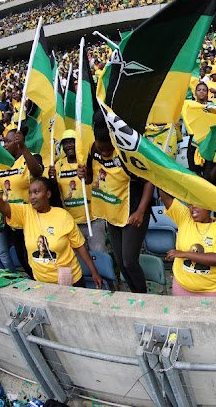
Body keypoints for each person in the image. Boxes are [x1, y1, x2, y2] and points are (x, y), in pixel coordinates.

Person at [0, 177, 102, 288]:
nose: (32, 197)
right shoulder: (26, 213)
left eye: (36, 192)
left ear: (48, 194)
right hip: (42, 284)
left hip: (70, 281)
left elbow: (79, 247)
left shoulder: (63, 216)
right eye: (30, 193)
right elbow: (3, 207)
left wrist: (94, 271)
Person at [79, 111, 153, 293]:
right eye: (101, 148)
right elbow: (90, 179)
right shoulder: (92, 149)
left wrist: (141, 212)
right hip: (111, 212)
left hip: (133, 212)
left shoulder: (126, 153)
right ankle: (134, 294)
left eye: (108, 149)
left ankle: (143, 297)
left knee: (129, 260)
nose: (104, 152)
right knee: (120, 261)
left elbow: (150, 181)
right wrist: (84, 175)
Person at [159, 190, 216, 296]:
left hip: (211, 290)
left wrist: (183, 254)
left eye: (197, 204)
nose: (192, 207)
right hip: (181, 287)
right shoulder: (185, 217)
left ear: (210, 206)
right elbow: (165, 195)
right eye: (190, 204)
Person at [48, 130, 105, 252]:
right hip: (72, 222)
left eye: (72, 142)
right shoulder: (58, 165)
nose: (69, 145)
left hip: (93, 219)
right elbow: (54, 193)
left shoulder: (86, 161)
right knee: (80, 259)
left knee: (99, 252)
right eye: (66, 143)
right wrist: (51, 179)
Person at [0, 128, 44, 275]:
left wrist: (24, 148)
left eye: (9, 141)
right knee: (22, 260)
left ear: (18, 143)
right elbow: (1, 194)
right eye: (4, 142)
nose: (5, 145)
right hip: (13, 222)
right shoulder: (2, 164)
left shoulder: (32, 157)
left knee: (35, 259)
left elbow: (37, 173)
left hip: (31, 221)